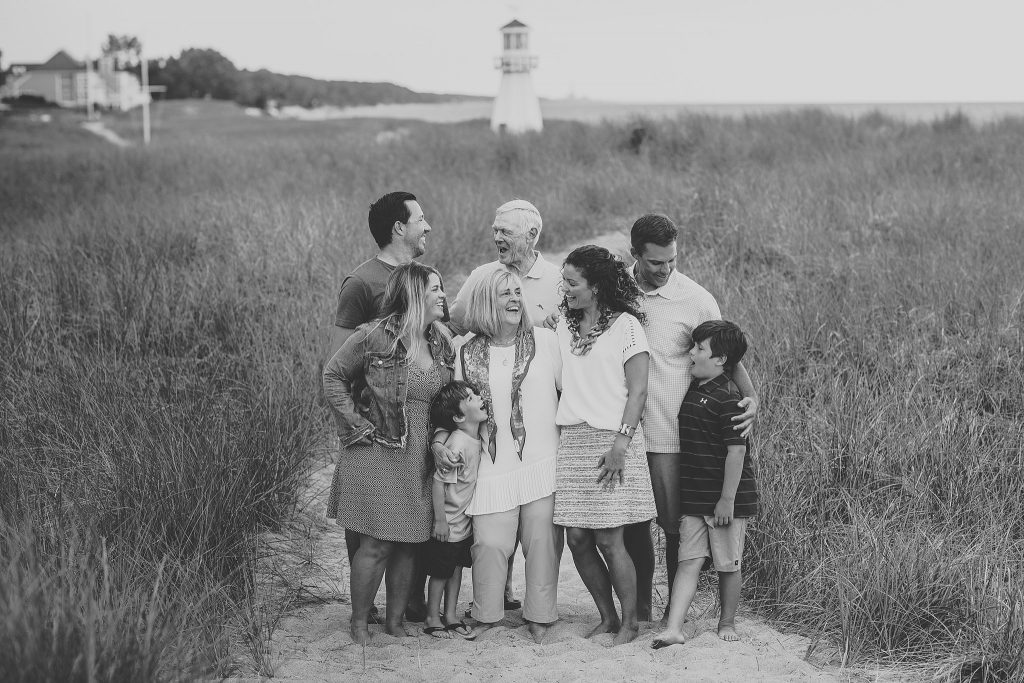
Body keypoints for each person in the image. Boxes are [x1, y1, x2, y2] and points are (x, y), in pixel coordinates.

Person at [623, 214, 759, 622]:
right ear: (635, 256)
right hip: (622, 431)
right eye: (655, 263)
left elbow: (724, 353)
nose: (665, 270)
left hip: (669, 433)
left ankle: (672, 613)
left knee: (672, 528)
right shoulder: (616, 290)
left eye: (672, 261)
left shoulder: (695, 298)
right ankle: (640, 607)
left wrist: (751, 396)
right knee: (630, 523)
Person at [323, 262, 454, 644]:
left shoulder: (442, 342)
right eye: (435, 289)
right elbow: (333, 376)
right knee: (376, 544)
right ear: (413, 294)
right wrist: (356, 425)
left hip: (419, 455)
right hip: (376, 450)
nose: (443, 295)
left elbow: (446, 402)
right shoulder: (375, 337)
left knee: (410, 543)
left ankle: (394, 623)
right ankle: (360, 623)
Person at [435, 268, 564, 643]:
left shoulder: (546, 340)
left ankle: (540, 616)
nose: (513, 300)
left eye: (516, 293)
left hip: (542, 461)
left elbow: (569, 392)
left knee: (542, 543)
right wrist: (438, 441)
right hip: (491, 468)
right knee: (489, 543)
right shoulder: (465, 351)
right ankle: (487, 613)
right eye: (503, 294)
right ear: (484, 303)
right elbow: (452, 409)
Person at [326, 190, 434, 622]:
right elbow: (340, 365)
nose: (427, 227)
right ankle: (365, 607)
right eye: (421, 219)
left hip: (418, 429)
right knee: (368, 522)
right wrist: (356, 430)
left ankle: (407, 604)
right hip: (374, 432)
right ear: (399, 228)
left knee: (412, 520)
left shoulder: (424, 277)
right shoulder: (361, 282)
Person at [553, 245, 656, 646]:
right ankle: (607, 617)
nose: (565, 289)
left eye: (571, 282)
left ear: (595, 286)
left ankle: (631, 622)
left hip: (614, 439)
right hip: (574, 439)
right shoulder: (563, 324)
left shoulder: (627, 326)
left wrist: (621, 443)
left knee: (610, 538)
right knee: (577, 538)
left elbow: (639, 390)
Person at [651, 320, 757, 648]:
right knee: (688, 560)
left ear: (721, 360)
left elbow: (737, 452)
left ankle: (727, 622)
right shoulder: (696, 388)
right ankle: (673, 627)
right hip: (694, 496)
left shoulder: (729, 398)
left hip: (726, 497)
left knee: (727, 562)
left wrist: (726, 500)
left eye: (700, 349)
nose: (692, 353)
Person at [422, 380, 487, 639]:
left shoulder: (473, 438)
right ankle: (431, 616)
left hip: (463, 522)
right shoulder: (457, 444)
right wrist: (440, 520)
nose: (479, 398)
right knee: (439, 573)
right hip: (448, 522)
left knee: (456, 569)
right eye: (471, 398)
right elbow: (438, 482)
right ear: (459, 416)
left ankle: (450, 614)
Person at [449, 199, 562, 334]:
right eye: (495, 231)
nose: (497, 238)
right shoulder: (481, 276)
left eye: (505, 232)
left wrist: (560, 329)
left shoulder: (560, 281)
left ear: (531, 234)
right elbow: (451, 328)